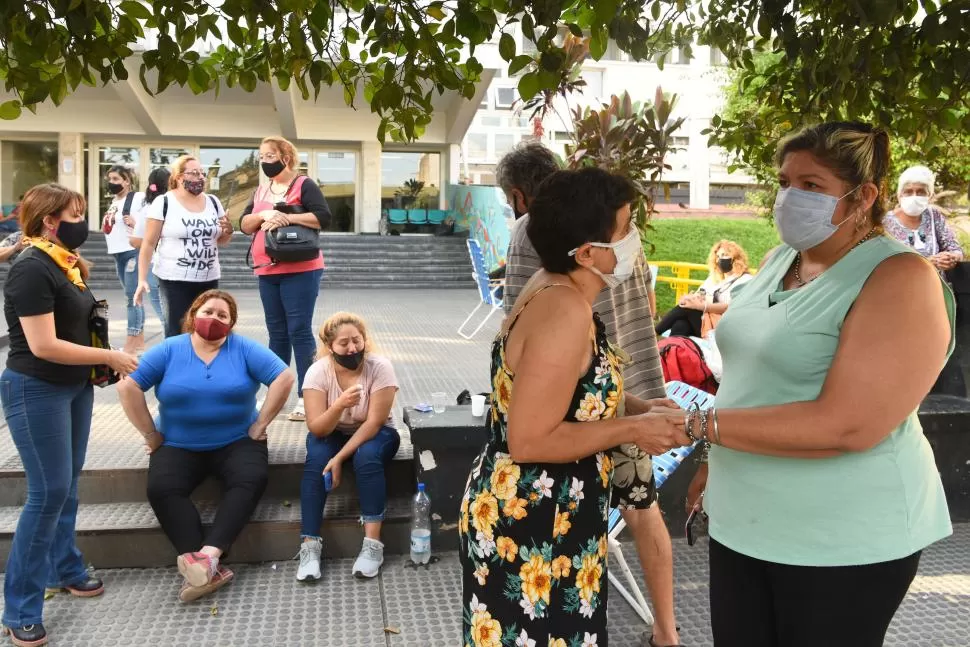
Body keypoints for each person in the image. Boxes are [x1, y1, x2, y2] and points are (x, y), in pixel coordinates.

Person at [686, 122, 953, 647]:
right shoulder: (777, 261)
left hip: (842, 538)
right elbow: (751, 374)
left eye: (811, 185)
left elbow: (847, 425)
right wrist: (711, 458)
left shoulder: (898, 278)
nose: (790, 197)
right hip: (743, 519)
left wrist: (699, 425)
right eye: (785, 182)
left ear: (865, 196)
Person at [459, 167, 688, 647]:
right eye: (625, 231)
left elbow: (572, 392)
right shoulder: (563, 309)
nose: (634, 240)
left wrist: (643, 408)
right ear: (587, 253)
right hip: (531, 526)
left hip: (552, 518)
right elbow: (531, 439)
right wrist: (631, 430)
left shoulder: (557, 287)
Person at [1, 183, 139, 647]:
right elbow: (42, 345)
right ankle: (20, 606)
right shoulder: (31, 268)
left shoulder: (62, 263)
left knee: (67, 485)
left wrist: (101, 362)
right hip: (35, 388)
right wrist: (114, 357)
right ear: (49, 221)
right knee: (48, 492)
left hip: (73, 388)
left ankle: (67, 569)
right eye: (76, 213)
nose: (84, 222)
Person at [117, 290, 294, 603]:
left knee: (250, 479)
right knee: (161, 489)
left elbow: (284, 377)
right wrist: (150, 434)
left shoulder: (243, 349)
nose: (214, 319)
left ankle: (208, 557)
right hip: (177, 442)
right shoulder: (170, 349)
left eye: (223, 316)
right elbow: (129, 387)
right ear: (193, 315)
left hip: (237, 440)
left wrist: (260, 424)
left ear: (231, 324)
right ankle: (205, 565)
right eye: (208, 311)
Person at [296, 312, 401, 582]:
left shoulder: (380, 367)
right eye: (344, 343)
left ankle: (372, 546)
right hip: (332, 431)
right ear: (330, 346)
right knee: (318, 457)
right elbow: (317, 427)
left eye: (357, 340)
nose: (352, 348)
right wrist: (340, 405)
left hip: (377, 432)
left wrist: (341, 458)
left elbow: (374, 423)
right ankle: (309, 544)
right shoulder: (318, 371)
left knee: (366, 457)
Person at [239, 137, 331, 422]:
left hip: (300, 269)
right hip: (267, 268)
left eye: (270, 155)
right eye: (262, 157)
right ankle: (275, 393)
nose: (265, 161)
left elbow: (323, 218)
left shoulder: (304, 185)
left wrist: (288, 217)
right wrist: (265, 214)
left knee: (299, 331)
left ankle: (308, 397)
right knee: (276, 333)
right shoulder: (261, 189)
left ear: (286, 157)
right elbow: (244, 224)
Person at [134, 155, 234, 338]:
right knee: (177, 332)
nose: (200, 178)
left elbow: (222, 240)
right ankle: (175, 366)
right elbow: (148, 244)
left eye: (202, 173)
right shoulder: (164, 202)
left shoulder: (213, 201)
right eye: (194, 173)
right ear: (179, 177)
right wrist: (141, 279)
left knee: (206, 331)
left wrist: (228, 230)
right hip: (174, 280)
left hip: (208, 278)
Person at [655, 240, 753, 338]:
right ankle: (669, 350)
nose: (720, 259)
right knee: (681, 325)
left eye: (724, 255)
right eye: (718, 256)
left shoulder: (745, 279)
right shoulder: (714, 278)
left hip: (726, 327)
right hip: (706, 321)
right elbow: (701, 293)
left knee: (688, 308)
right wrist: (692, 298)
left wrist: (702, 306)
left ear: (735, 257)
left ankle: (654, 333)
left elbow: (731, 307)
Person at [883, 164, 963, 276]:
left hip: (936, 287)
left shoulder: (934, 216)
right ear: (899, 196)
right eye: (908, 191)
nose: (914, 196)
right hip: (901, 288)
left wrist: (951, 258)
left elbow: (955, 249)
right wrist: (926, 263)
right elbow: (881, 264)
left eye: (921, 192)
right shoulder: (885, 223)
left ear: (929, 196)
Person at [101, 165, 148, 354]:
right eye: (109, 179)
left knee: (132, 298)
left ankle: (130, 345)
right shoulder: (114, 201)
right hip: (118, 253)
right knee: (134, 298)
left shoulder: (138, 198)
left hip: (132, 252)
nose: (111, 183)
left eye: (115, 179)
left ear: (126, 181)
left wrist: (136, 225)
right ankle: (140, 343)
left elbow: (149, 223)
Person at [128, 167, 170, 332]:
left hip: (156, 265)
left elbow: (136, 241)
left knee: (167, 317)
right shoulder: (173, 205)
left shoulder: (148, 207)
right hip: (168, 265)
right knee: (172, 317)